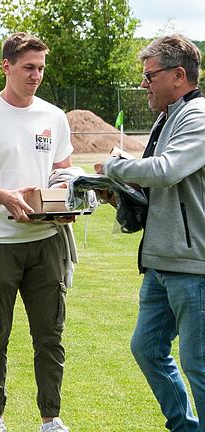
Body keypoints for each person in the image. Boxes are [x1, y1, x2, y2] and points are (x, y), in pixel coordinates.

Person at [0, 32, 73, 432]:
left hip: (46, 242)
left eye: (41, 67)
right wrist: (5, 197)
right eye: (28, 67)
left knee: (50, 336)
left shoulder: (54, 117)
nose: (36, 75)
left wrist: (62, 203)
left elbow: (63, 175)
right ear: (6, 66)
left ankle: (50, 419)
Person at [94, 34, 205, 432]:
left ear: (179, 75)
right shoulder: (167, 115)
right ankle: (185, 427)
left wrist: (113, 167)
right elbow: (156, 189)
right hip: (160, 259)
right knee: (147, 349)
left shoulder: (198, 115)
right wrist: (113, 192)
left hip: (193, 265)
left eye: (149, 76)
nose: (143, 84)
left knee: (198, 364)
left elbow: (167, 169)